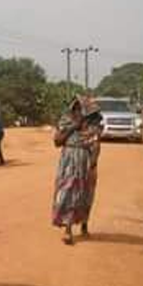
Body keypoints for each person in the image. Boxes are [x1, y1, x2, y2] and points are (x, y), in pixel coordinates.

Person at [52, 96, 103, 245]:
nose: (78, 112)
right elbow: (57, 142)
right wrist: (74, 126)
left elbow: (96, 144)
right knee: (67, 192)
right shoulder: (66, 122)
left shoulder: (92, 125)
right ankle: (67, 229)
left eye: (81, 110)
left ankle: (84, 224)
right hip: (68, 160)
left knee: (86, 194)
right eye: (76, 109)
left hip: (85, 160)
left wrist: (93, 162)